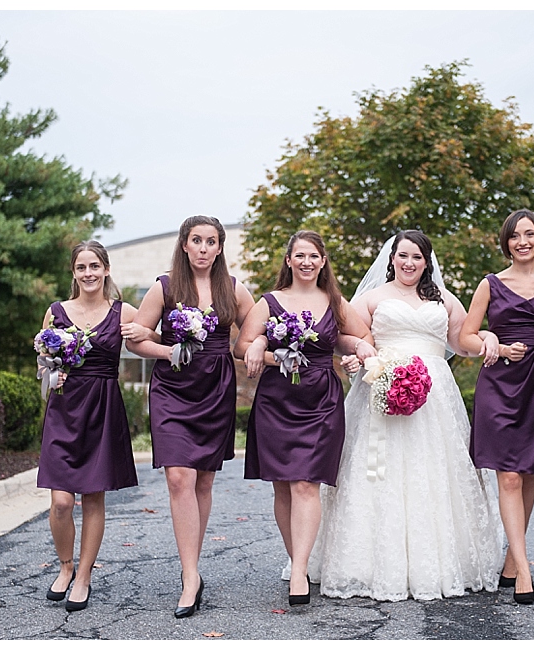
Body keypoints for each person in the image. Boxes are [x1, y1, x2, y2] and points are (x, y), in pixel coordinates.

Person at [308, 230, 505, 602]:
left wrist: (489, 339)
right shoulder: (371, 298)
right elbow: (345, 336)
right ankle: (365, 564)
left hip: (435, 395)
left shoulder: (444, 299)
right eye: (403, 256)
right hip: (381, 386)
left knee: (432, 470)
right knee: (376, 473)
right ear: (392, 259)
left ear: (427, 262)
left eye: (417, 257)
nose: (409, 263)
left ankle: (442, 561)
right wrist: (362, 351)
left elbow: (464, 341)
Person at [125, 215, 256, 618]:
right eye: (196, 240)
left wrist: (257, 347)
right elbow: (138, 338)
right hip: (173, 387)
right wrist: (167, 350)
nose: (203, 248)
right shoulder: (164, 286)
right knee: (178, 476)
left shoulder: (234, 289)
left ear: (219, 248)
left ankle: (192, 569)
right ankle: (190, 576)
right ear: (184, 244)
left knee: (203, 479)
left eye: (211, 241)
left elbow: (256, 331)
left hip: (215, 387)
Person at [234, 230, 374, 606]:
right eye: (300, 256)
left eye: (313, 256)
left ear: (323, 261)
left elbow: (357, 337)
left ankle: (299, 573)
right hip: (277, 400)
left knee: (305, 485)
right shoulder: (270, 302)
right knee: (282, 484)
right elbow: (241, 346)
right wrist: (265, 346)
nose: (307, 262)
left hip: (320, 399)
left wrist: (357, 348)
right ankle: (299, 559)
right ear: (289, 261)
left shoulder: (334, 300)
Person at [459, 209, 534, 605]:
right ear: (506, 242)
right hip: (499, 383)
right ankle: (526, 569)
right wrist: (492, 341)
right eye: (515, 236)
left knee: (528, 474)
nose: (523, 241)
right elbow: (465, 336)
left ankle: (514, 558)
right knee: (509, 476)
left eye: (529, 234)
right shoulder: (490, 285)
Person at [37, 240, 150, 612]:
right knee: (60, 502)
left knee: (93, 497)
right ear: (74, 272)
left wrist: (143, 336)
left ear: (106, 269)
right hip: (64, 408)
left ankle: (83, 576)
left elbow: (160, 342)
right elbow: (42, 364)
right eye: (81, 267)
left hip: (103, 407)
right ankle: (65, 566)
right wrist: (49, 374)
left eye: (94, 266)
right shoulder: (55, 313)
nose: (88, 273)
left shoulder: (123, 312)